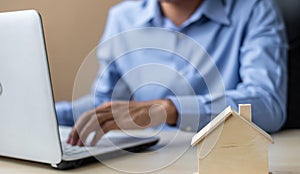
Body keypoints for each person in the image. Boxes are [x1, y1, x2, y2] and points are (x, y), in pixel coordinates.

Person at [56, 0, 288, 146]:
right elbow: (106, 106)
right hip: (147, 163)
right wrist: (44, 113)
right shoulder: (122, 18)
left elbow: (268, 105)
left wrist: (169, 109)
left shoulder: (256, 8)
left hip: (222, 161)